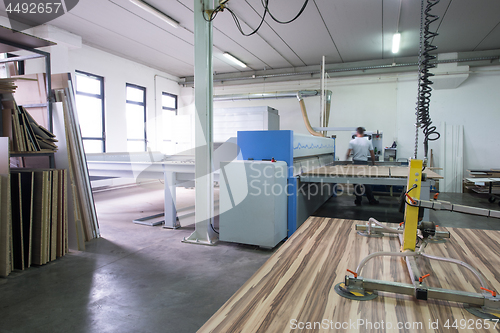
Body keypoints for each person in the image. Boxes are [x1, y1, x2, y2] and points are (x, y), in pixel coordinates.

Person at [345, 127, 379, 205]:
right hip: (364, 164)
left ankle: (358, 200)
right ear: (363, 133)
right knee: (366, 182)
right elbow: (372, 154)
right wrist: (374, 163)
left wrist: (346, 163)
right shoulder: (368, 142)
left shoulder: (352, 142)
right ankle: (371, 200)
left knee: (356, 183)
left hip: (355, 163)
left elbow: (348, 154)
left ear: (357, 133)